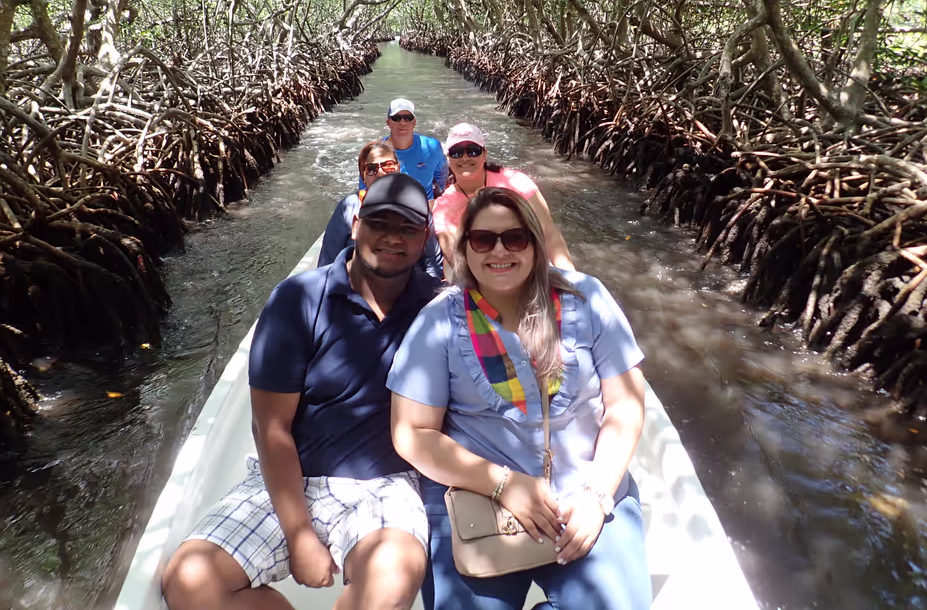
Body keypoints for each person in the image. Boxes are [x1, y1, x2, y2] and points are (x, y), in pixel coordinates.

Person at [163, 174, 443, 610]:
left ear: (425, 237)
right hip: (290, 476)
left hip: (386, 483)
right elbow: (270, 426)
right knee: (189, 581)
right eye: (379, 223)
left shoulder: (439, 306)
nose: (393, 238)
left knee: (388, 587)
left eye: (407, 228)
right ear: (355, 224)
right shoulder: (298, 300)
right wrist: (299, 534)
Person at [387, 187, 649, 610]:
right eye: (483, 239)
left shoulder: (588, 298)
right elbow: (411, 433)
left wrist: (597, 496)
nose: (499, 251)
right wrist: (504, 484)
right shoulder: (438, 322)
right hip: (481, 502)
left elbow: (625, 405)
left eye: (515, 238)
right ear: (464, 249)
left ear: (535, 243)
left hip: (583, 498)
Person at [432, 123, 574, 272]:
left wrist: (570, 277)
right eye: (457, 152)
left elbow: (548, 232)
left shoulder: (516, 182)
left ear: (484, 154)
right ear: (448, 158)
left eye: (473, 151)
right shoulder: (444, 206)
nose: (465, 158)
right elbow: (454, 254)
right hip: (481, 272)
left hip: (526, 263)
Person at [320, 140, 444, 278]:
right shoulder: (349, 207)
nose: (380, 173)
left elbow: (432, 261)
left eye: (388, 166)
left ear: (397, 168)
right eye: (371, 169)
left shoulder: (418, 206)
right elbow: (328, 259)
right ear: (363, 176)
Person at [359, 99, 448, 202]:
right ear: (388, 122)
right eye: (396, 118)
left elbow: (444, 181)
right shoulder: (375, 154)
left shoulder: (432, 147)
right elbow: (364, 191)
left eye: (408, 118)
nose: (402, 122)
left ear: (414, 122)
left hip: (425, 209)